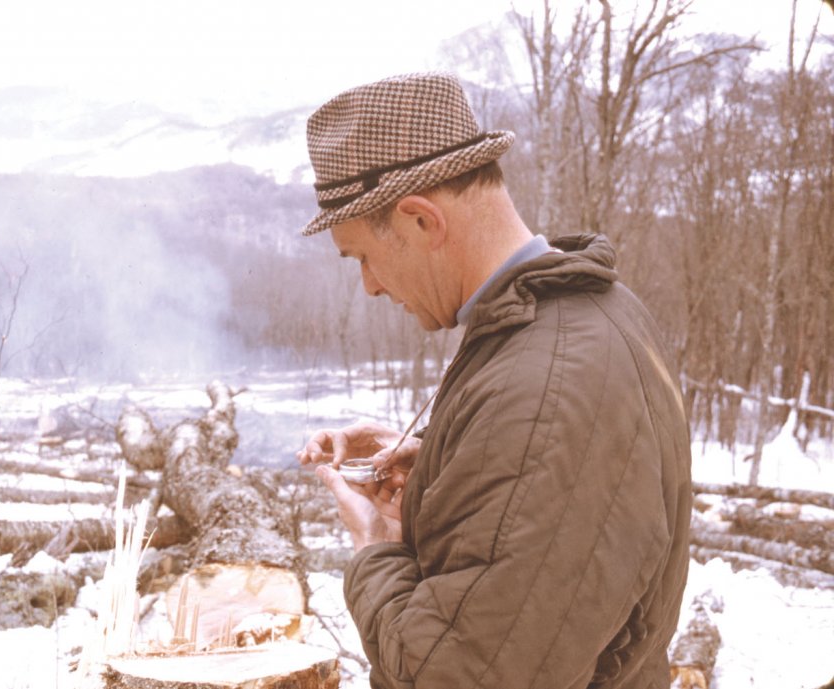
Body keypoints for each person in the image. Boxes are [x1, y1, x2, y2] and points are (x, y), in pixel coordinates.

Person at [295, 72, 692, 689]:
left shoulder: (544, 392)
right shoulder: (590, 314)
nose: (369, 285)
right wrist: (444, 462)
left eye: (363, 257)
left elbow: (456, 675)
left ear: (422, 220)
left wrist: (375, 549)